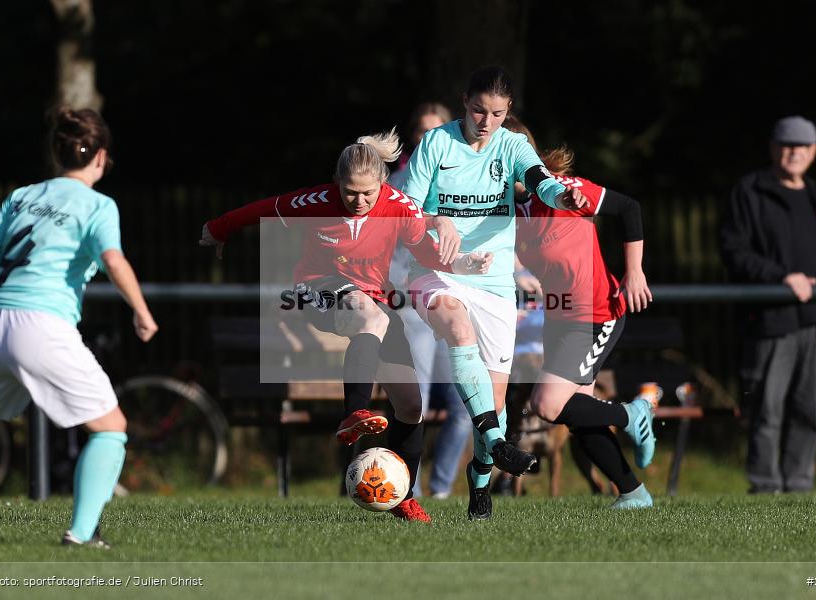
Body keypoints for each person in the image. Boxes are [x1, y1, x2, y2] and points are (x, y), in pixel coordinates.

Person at [200, 128, 490, 521]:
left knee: (410, 405)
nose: (359, 201)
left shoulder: (399, 205)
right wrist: (218, 229)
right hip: (317, 288)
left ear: (383, 184)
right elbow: (263, 209)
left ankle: (402, 497)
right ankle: (354, 411)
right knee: (368, 314)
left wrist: (461, 264)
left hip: (374, 299)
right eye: (351, 192)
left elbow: (426, 252)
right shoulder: (317, 201)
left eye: (368, 193)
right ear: (337, 183)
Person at [401, 66, 588, 519]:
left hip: (493, 281)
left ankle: (480, 486)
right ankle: (499, 441)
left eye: (498, 113)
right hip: (435, 271)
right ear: (465, 101)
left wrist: (561, 198)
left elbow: (540, 178)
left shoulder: (512, 145)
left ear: (508, 113)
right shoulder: (437, 143)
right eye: (479, 110)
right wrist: (437, 220)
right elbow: (404, 209)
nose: (486, 121)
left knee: (497, 400)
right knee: (455, 322)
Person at [0, 107, 158, 547]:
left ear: (58, 155)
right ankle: (80, 534)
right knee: (111, 427)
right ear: (100, 157)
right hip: (39, 327)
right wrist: (141, 310)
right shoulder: (97, 205)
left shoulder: (20, 196)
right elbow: (114, 261)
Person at [505, 115, 658, 509]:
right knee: (579, 412)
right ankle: (633, 494)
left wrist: (634, 272)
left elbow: (628, 209)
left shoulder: (564, 190)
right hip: (559, 317)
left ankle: (632, 414)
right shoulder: (505, 211)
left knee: (547, 404)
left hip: (597, 313)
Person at [720, 115, 816, 494]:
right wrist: (781, 277)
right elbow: (735, 251)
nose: (795, 152)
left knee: (808, 408)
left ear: (814, 152)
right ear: (773, 148)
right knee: (767, 408)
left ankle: (800, 485)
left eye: (803, 146)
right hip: (770, 319)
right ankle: (765, 486)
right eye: (787, 144)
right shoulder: (750, 192)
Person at [386, 102, 468, 498]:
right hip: (411, 308)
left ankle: (440, 490)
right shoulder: (396, 184)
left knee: (465, 405)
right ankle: (409, 490)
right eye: (421, 131)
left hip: (455, 307)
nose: (427, 138)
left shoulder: (464, 182)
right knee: (411, 404)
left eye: (436, 130)